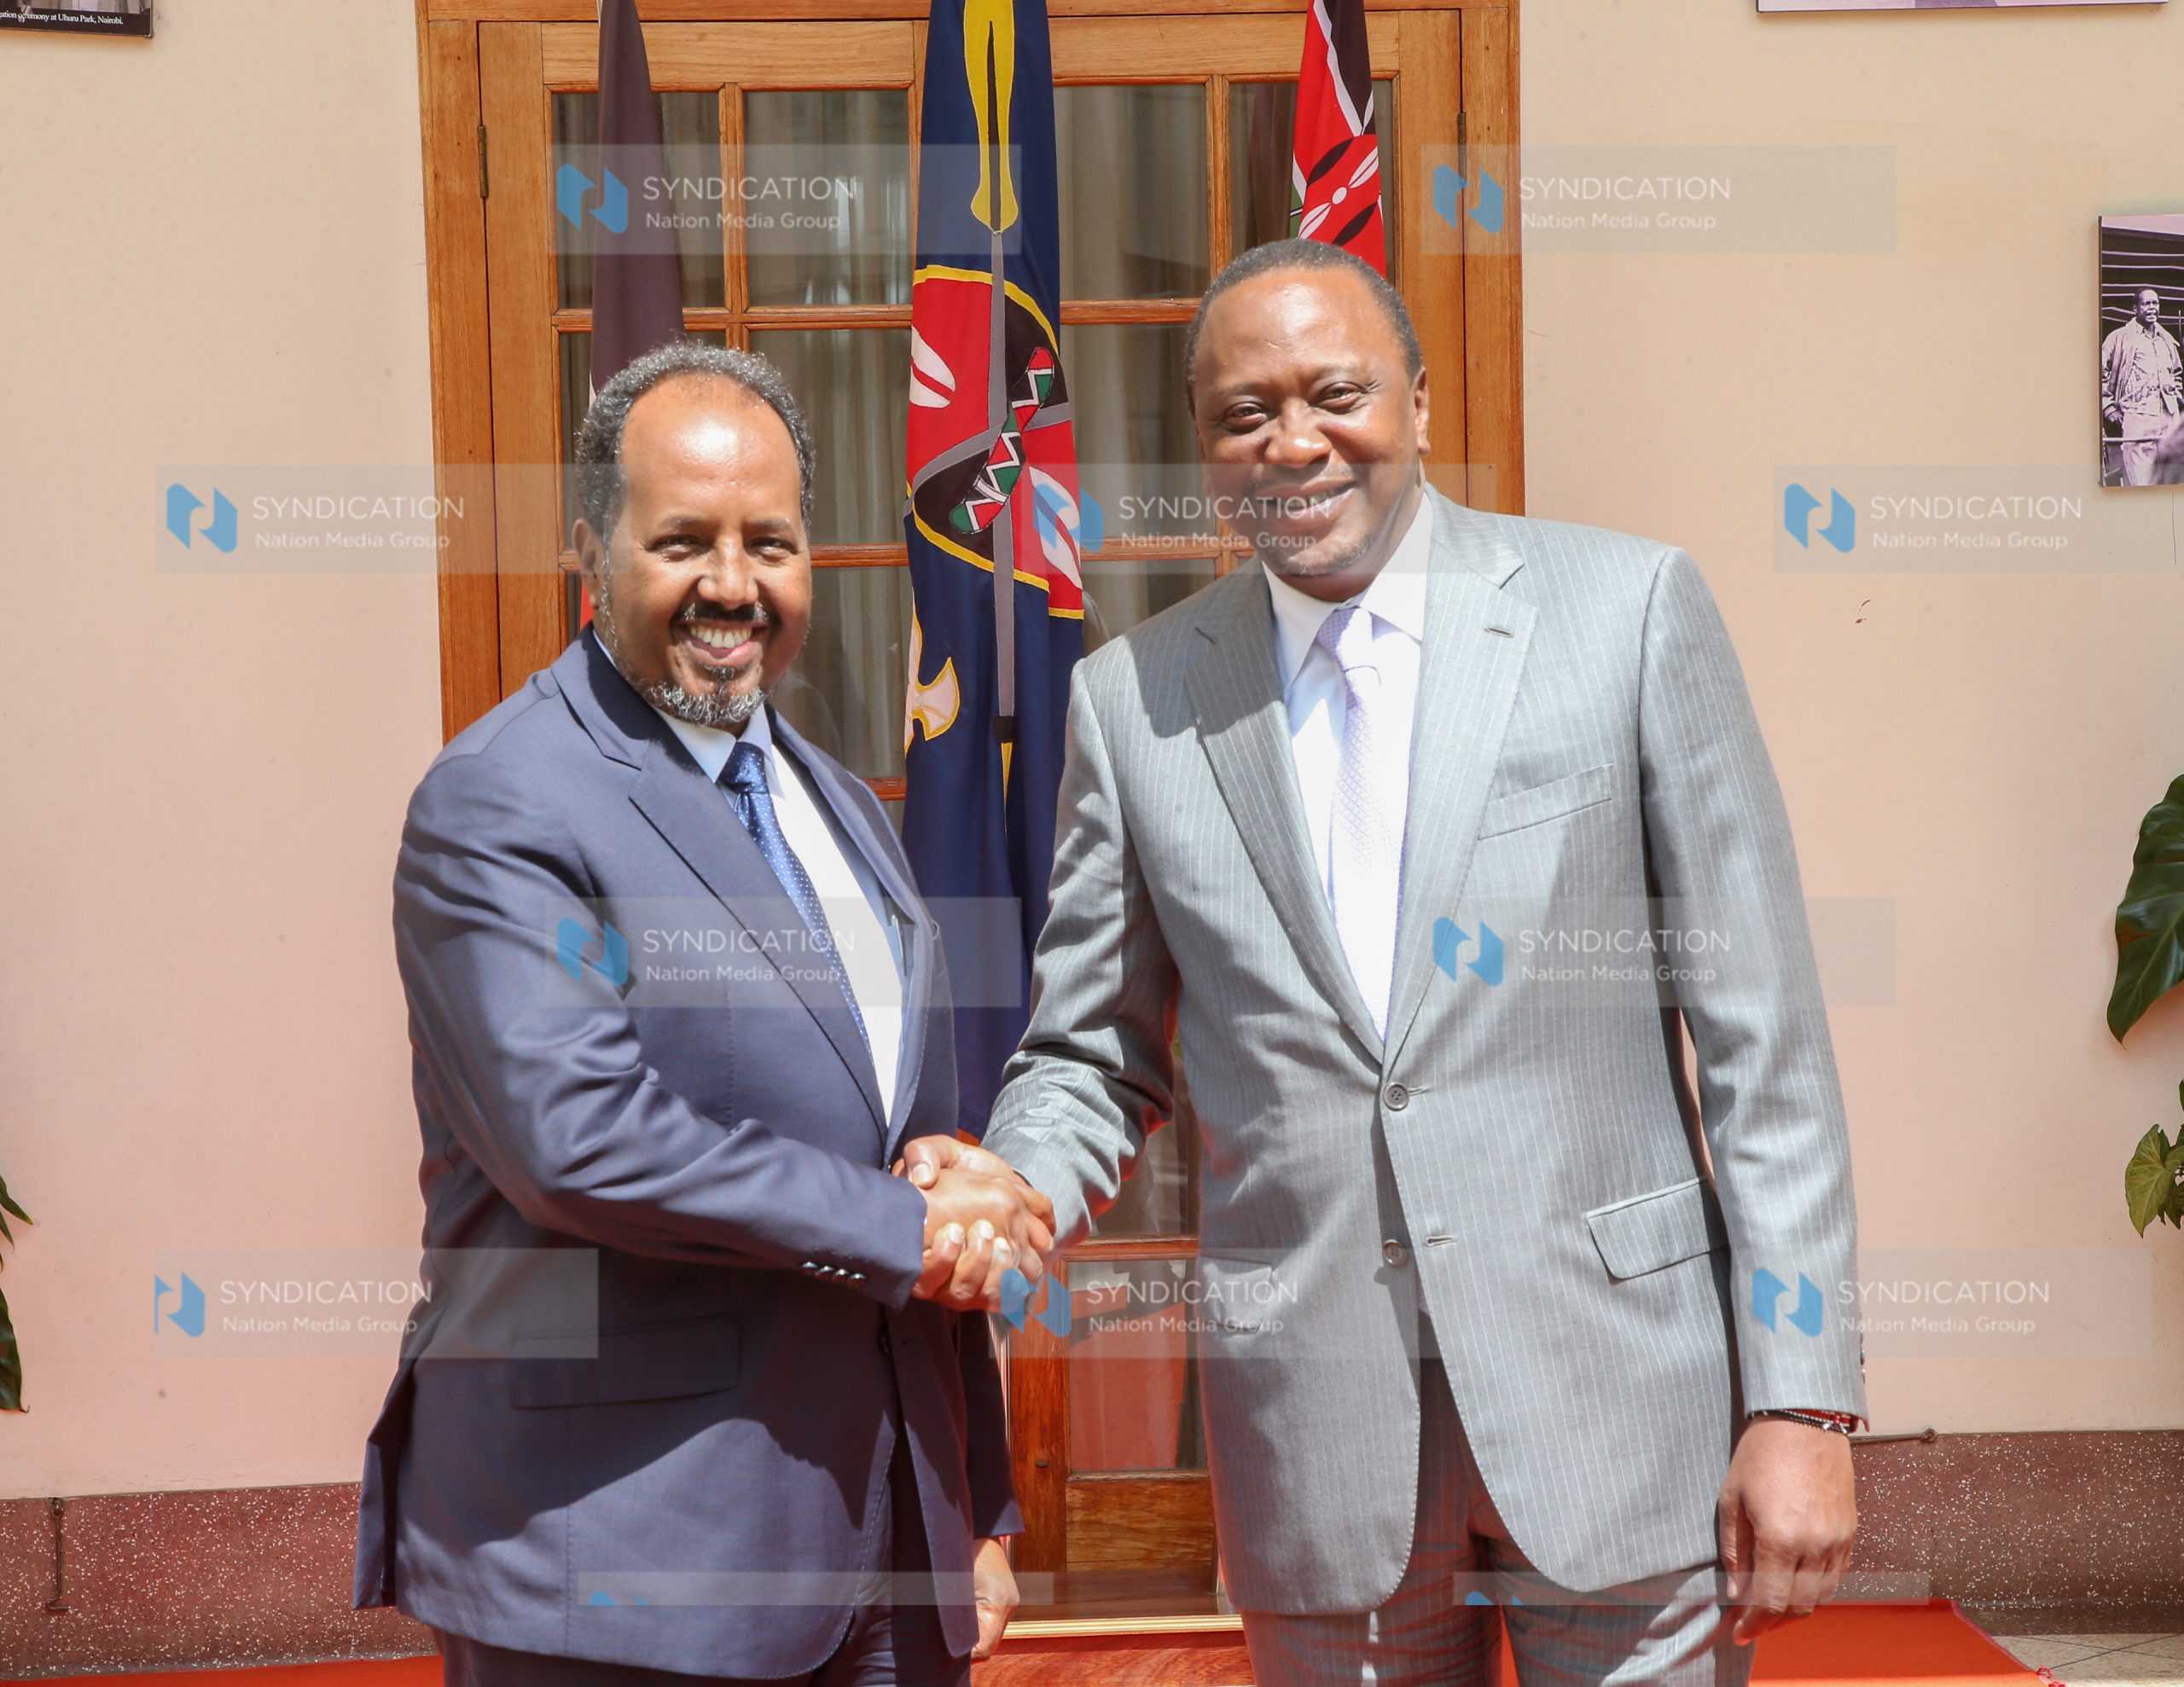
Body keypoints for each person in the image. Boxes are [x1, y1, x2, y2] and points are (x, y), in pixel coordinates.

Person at [908, 239, 1867, 1685]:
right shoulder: (1134, 700)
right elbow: (1092, 1049)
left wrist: (1804, 1400)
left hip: (1620, 1406)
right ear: (1206, 446)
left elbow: (1764, 1041)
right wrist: (1020, 1184)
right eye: (1245, 413)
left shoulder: (1628, 613)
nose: (1294, 439)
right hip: (1318, 1439)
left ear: (1417, 397)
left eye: (1337, 391)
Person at [353, 341, 1054, 1687]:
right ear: (590, 549)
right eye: (684, 539)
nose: (733, 586)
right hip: (619, 1557)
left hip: (886, 1556)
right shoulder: (502, 798)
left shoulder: (841, 804)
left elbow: (914, 1143)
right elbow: (575, 1135)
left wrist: (977, 1505)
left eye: (770, 543)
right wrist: (908, 1224)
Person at [2101, 287, 2182, 487]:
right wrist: (2109, 408)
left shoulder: (2166, 340)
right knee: (2143, 484)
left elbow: (2177, 373)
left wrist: (2176, 393)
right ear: (2135, 308)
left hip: (2169, 417)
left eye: (2155, 303)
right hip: (2137, 417)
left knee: (2173, 481)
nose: (2152, 308)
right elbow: (2098, 373)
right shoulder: (2119, 338)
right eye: (2146, 304)